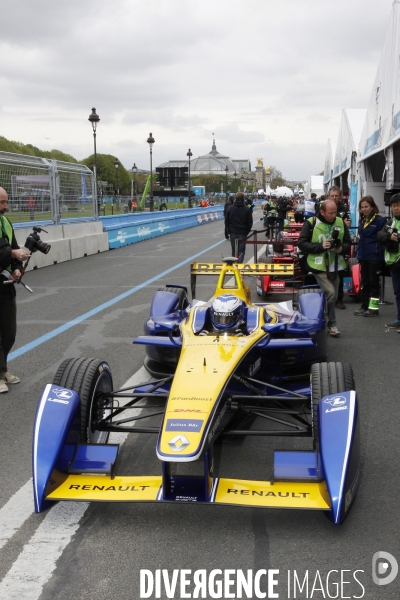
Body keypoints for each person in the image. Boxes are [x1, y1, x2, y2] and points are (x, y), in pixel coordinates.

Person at [297, 200, 351, 337]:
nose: (334, 215)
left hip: (335, 264)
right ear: (322, 212)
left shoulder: (340, 222)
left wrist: (340, 248)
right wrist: (321, 246)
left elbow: (347, 243)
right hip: (317, 264)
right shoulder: (311, 222)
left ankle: (330, 323)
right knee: (331, 293)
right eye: (330, 213)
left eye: (335, 212)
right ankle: (323, 320)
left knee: (333, 296)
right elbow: (302, 244)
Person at [0, 187, 30, 393]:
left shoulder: (5, 223)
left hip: (5, 285)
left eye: (6, 202)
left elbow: (14, 247)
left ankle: (3, 369)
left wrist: (18, 269)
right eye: (2, 202)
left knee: (8, 333)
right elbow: (7, 251)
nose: (5, 206)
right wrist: (12, 253)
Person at [354, 196, 386, 317]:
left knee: (374, 284)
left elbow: (382, 238)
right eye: (362, 207)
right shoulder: (361, 220)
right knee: (365, 282)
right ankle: (364, 306)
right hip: (363, 255)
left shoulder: (380, 220)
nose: (364, 209)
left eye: (366, 207)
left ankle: (373, 308)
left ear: (372, 207)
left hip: (374, 256)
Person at [377, 193, 400, 328]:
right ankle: (399, 318)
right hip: (394, 264)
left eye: (398, 205)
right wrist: (389, 237)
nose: (396, 208)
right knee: (397, 293)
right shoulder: (391, 222)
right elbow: (380, 234)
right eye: (394, 206)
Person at [327, 186, 351, 309]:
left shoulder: (344, 208)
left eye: (337, 195)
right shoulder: (322, 207)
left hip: (339, 245)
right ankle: (324, 298)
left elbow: (348, 224)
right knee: (324, 275)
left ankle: (339, 299)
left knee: (339, 274)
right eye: (332, 196)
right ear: (328, 196)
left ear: (340, 196)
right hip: (324, 245)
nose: (335, 197)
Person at [225, 192, 253, 263]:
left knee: (234, 249)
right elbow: (250, 222)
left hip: (233, 231)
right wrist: (247, 231)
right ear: (243, 199)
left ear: (235, 198)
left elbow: (226, 221)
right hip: (243, 232)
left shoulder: (230, 208)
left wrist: (228, 230)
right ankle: (239, 264)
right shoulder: (247, 209)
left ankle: (233, 264)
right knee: (241, 250)